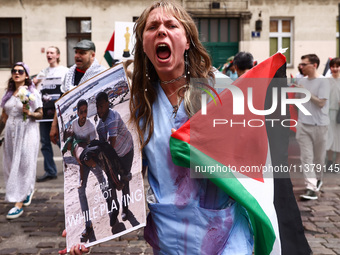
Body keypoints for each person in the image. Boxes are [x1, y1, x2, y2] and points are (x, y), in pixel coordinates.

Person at [65, 2, 253, 254]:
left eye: (171, 25)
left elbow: (252, 162)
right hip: (171, 238)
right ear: (144, 44)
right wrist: (83, 228)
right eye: (152, 27)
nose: (161, 31)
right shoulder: (136, 104)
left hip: (224, 232)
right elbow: (126, 171)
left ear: (187, 41)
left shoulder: (220, 91)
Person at [63, 99, 109, 243]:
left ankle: (111, 205)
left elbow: (93, 145)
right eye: (81, 112)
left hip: (91, 159)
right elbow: (69, 142)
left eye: (85, 111)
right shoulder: (74, 125)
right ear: (77, 112)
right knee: (81, 190)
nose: (83, 114)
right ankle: (88, 224)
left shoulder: (90, 126)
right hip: (81, 161)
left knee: (102, 182)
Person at [0, 62, 43, 219]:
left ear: (26, 75)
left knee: (24, 164)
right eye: (14, 71)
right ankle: (27, 189)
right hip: (11, 134)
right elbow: (4, 116)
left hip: (27, 132)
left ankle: (18, 203)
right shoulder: (8, 94)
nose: (16, 73)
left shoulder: (32, 93)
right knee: (11, 165)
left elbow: (40, 114)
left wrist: (29, 113)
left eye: (20, 71)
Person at [50, 39, 106, 145]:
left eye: (82, 53)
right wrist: (54, 125)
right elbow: (62, 101)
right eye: (76, 52)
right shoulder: (69, 73)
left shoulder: (101, 73)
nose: (77, 55)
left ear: (92, 55)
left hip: (94, 127)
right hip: (71, 126)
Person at [295, 54, 330, 200]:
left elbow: (321, 103)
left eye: (305, 64)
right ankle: (311, 187)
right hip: (304, 125)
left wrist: (306, 93)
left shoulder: (323, 82)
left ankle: (318, 180)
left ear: (314, 65)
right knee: (306, 157)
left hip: (320, 125)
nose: (301, 67)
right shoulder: (301, 80)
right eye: (301, 64)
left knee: (318, 158)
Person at [95, 92, 134, 224]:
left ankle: (126, 208)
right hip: (113, 154)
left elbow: (110, 145)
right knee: (111, 183)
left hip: (126, 150)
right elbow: (103, 147)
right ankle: (115, 210)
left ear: (107, 103)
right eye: (97, 107)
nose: (99, 110)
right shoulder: (99, 125)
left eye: (101, 106)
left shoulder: (113, 118)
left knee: (124, 182)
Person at [34, 46, 69, 182]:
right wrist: (35, 82)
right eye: (47, 52)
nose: (49, 54)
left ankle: (72, 167)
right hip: (44, 114)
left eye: (52, 52)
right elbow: (37, 89)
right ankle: (50, 171)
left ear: (57, 55)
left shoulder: (64, 71)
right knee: (45, 143)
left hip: (58, 113)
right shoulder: (43, 73)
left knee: (62, 142)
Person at [326, 57, 340, 169]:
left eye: (337, 66)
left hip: (339, 114)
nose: (335, 68)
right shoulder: (327, 80)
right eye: (333, 66)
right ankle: (329, 161)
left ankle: (337, 163)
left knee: (338, 138)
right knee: (329, 138)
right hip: (328, 112)